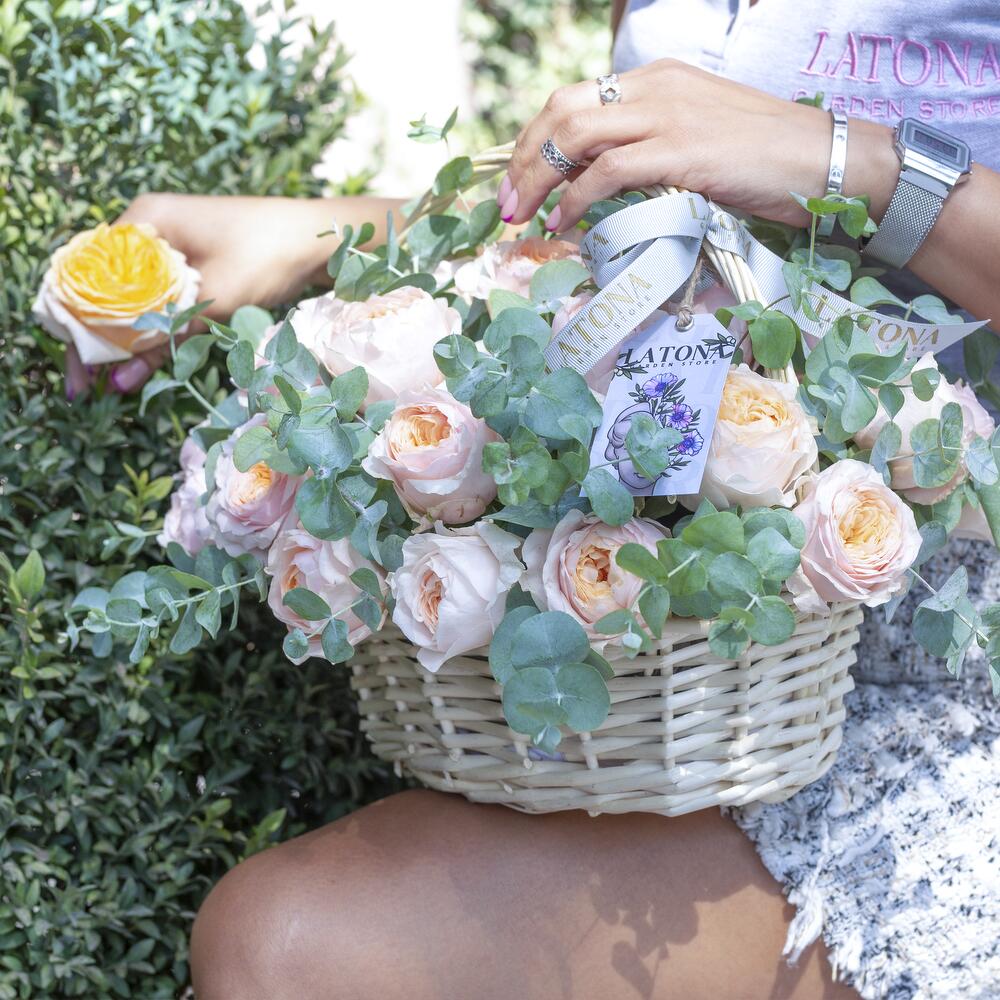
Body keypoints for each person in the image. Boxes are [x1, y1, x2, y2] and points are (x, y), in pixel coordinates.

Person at [126, 2, 1000, 997]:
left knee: (287, 947)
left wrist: (848, 164)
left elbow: (758, 154)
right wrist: (322, 235)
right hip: (671, 676)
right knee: (276, 944)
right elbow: (642, 226)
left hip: (950, 682)